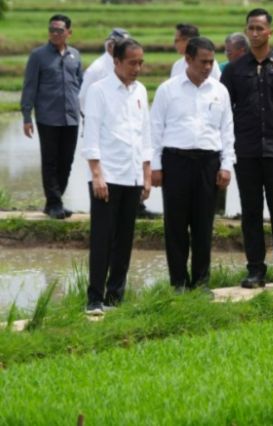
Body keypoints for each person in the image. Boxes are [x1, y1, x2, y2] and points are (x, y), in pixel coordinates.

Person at [221, 8, 273, 288]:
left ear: (270, 31)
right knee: (251, 212)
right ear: (246, 31)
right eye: (251, 28)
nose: (256, 33)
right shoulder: (234, 70)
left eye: (260, 28)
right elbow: (223, 113)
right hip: (245, 152)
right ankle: (255, 270)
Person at [150, 37, 235, 290]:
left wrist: (226, 165)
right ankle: (178, 282)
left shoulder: (220, 91)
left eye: (211, 61)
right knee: (175, 226)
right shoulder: (168, 89)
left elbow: (227, 131)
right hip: (175, 161)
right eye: (203, 61)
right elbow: (155, 129)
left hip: (208, 163)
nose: (208, 67)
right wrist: (155, 166)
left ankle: (201, 283)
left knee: (203, 225)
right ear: (188, 59)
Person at [81, 39, 152, 315]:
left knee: (125, 239)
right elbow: (91, 135)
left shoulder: (140, 91)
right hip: (107, 177)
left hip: (133, 176)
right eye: (132, 62)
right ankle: (94, 299)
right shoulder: (99, 91)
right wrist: (97, 174)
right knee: (102, 239)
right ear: (117, 62)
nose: (137, 68)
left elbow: (145, 135)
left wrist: (146, 175)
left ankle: (115, 297)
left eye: (141, 62)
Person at [21, 14, 83, 220]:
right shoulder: (38, 56)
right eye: (52, 30)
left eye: (59, 30)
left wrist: (85, 112)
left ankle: (52, 202)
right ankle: (55, 202)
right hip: (48, 117)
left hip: (71, 117)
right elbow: (30, 86)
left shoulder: (75, 55)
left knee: (67, 160)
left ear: (69, 32)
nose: (55, 33)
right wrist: (27, 116)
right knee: (50, 161)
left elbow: (80, 85)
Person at [78, 28, 129, 112]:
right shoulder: (96, 69)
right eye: (122, 46)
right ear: (110, 46)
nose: (126, 50)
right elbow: (82, 98)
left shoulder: (124, 66)